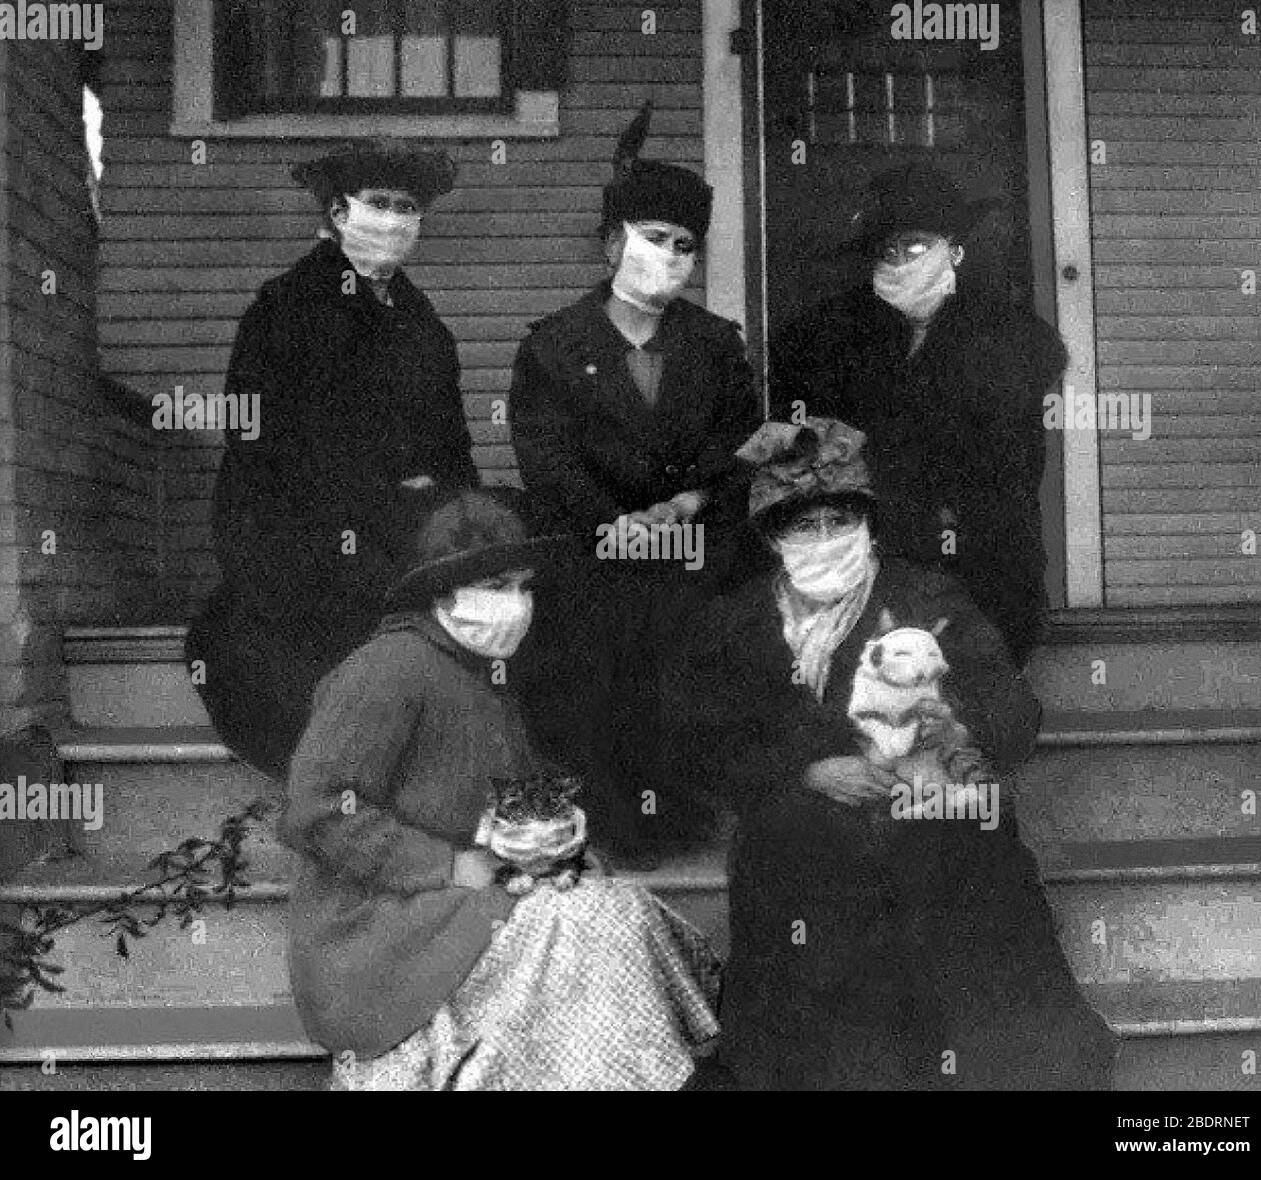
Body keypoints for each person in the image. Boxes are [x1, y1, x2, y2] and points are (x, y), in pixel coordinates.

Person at [663, 418, 1117, 1091]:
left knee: (964, 857)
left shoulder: (926, 596)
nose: (824, 542)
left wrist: (960, 726)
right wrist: (806, 768)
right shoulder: (736, 623)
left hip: (929, 815)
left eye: (839, 522)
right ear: (771, 536)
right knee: (815, 894)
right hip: (804, 827)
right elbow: (700, 736)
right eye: (803, 527)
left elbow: (1010, 707)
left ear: (869, 526)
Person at [278, 487, 721, 1091]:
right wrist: (451, 864)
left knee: (615, 907)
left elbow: (513, 802)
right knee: (588, 927)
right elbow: (317, 809)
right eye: (496, 587)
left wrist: (554, 849)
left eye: (523, 587)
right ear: (442, 593)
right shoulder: (386, 670)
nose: (516, 604)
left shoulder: (481, 677)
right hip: (377, 924)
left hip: (464, 894)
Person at [510, 102, 761, 858]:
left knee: (702, 646)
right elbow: (546, 459)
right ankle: (614, 823)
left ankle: (697, 810)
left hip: (695, 542)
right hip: (592, 550)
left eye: (686, 246)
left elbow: (738, 443)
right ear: (613, 242)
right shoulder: (554, 346)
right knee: (599, 654)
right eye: (656, 239)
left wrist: (688, 501)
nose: (673, 258)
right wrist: (610, 524)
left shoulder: (715, 346)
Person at [186, 139, 479, 780]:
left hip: (402, 526)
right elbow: (267, 440)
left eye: (407, 207)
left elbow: (450, 451)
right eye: (379, 203)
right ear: (339, 212)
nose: (395, 220)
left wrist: (455, 512)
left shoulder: (422, 324)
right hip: (293, 530)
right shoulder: (285, 308)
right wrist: (390, 490)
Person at [768, 163, 1068, 665]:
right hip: (868, 562)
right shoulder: (831, 336)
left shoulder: (1012, 339)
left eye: (915, 246)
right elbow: (802, 446)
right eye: (887, 251)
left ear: (954, 249)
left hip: (978, 565)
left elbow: (1002, 466)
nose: (899, 261)